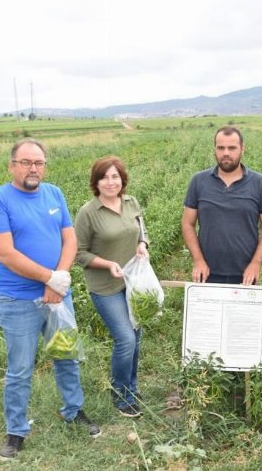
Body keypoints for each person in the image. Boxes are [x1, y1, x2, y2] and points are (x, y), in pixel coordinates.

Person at [0, 139, 100, 462]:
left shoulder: (54, 193)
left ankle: (73, 411)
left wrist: (59, 279)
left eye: (39, 163)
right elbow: (6, 254)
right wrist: (48, 278)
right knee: (20, 368)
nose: (33, 168)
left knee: (66, 356)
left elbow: (69, 238)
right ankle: (16, 430)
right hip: (18, 300)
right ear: (12, 166)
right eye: (26, 162)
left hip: (58, 296)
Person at [75, 156, 150, 418]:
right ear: (96, 182)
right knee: (125, 338)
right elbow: (79, 253)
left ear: (122, 179)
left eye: (115, 176)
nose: (110, 182)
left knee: (136, 337)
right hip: (105, 286)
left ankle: (131, 386)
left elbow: (141, 230)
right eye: (104, 177)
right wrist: (107, 264)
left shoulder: (131, 202)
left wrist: (142, 244)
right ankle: (120, 394)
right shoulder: (88, 212)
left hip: (132, 283)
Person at [182, 125, 262, 284]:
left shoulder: (259, 182)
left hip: (245, 274)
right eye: (221, 148)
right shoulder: (199, 181)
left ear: (242, 149)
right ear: (215, 150)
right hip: (206, 273)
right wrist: (198, 260)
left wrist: (256, 263)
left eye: (232, 148)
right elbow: (187, 223)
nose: (226, 153)